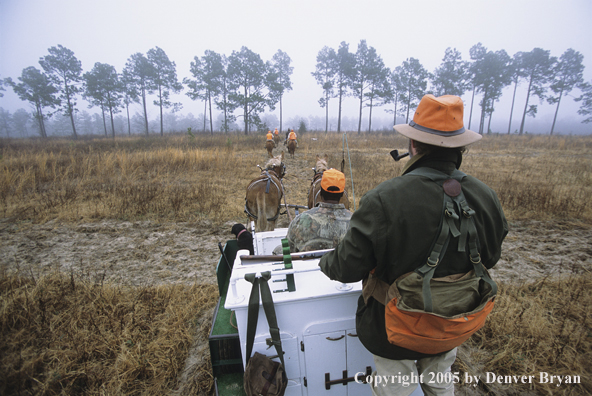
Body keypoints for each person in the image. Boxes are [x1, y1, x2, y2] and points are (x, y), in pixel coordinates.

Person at [319, 94, 508, 396]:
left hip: (394, 331)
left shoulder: (384, 199)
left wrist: (324, 261)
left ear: (414, 145)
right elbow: (492, 256)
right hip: (453, 323)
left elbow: (344, 267)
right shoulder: (486, 196)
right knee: (440, 381)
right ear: (460, 148)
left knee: (397, 389)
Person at [286, 168, 352, 252]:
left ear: (320, 192)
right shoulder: (356, 221)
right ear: (342, 194)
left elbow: (288, 250)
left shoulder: (300, 220)